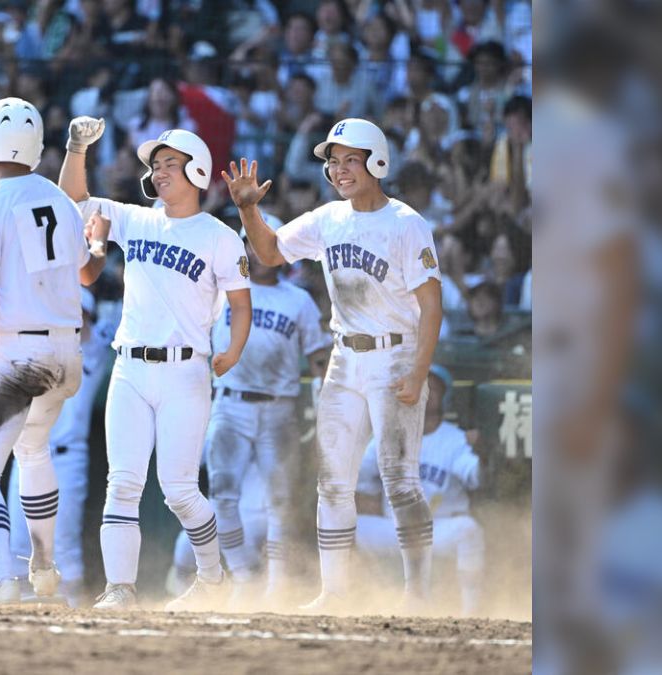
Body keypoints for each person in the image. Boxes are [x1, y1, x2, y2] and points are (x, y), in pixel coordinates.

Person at [224, 117, 444, 614]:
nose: (339, 170)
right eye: (333, 162)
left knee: (399, 478)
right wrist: (248, 210)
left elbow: (432, 306)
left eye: (350, 160)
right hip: (345, 358)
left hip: (396, 354)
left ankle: (418, 594)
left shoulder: (406, 222)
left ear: (377, 162)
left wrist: (419, 371)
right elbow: (270, 252)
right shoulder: (327, 218)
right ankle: (334, 593)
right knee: (332, 481)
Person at [60, 117, 252, 611]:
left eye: (170, 163)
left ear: (198, 171)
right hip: (129, 366)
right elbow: (73, 200)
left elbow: (241, 302)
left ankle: (212, 579)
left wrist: (233, 349)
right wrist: (77, 148)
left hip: (186, 371)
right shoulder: (134, 218)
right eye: (157, 165)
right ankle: (119, 588)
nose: (159, 172)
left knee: (179, 490)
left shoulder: (219, 236)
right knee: (122, 482)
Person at [0, 97, 103, 606]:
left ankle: (2, 581)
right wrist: (100, 245)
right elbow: (89, 273)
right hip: (66, 354)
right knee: (33, 451)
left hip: (16, 353)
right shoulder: (59, 200)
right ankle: (44, 570)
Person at [206, 215, 332, 609]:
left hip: (279, 407)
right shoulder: (221, 290)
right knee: (222, 496)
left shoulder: (298, 300)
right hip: (230, 402)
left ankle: (277, 585)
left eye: (264, 243)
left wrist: (325, 406)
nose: (256, 251)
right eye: (249, 242)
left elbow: (319, 359)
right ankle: (243, 576)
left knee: (280, 500)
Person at [6, 287, 117, 606]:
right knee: (18, 545)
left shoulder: (94, 349)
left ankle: (74, 611)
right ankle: (17, 615)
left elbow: (110, 323)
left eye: (77, 313)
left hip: (67, 457)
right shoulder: (35, 344)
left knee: (64, 546)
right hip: (27, 454)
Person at [356, 366, 485, 616]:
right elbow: (358, 475)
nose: (425, 391)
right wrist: (369, 496)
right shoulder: (387, 435)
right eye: (420, 384)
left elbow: (475, 477)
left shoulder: (455, 439)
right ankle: (352, 600)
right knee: (344, 527)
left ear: (445, 397)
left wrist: (483, 455)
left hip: (438, 529)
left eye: (433, 388)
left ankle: (471, 611)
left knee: (468, 530)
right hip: (394, 529)